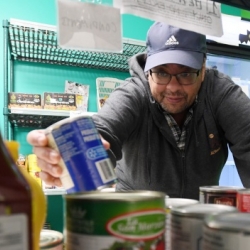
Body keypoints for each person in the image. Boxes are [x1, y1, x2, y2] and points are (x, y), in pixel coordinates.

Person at [27, 22, 250, 200]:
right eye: (161, 73)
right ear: (147, 70)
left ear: (202, 69)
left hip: (194, 221)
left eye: (185, 73)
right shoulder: (133, 93)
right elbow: (104, 127)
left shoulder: (220, 93)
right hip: (132, 221)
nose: (173, 87)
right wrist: (70, 153)